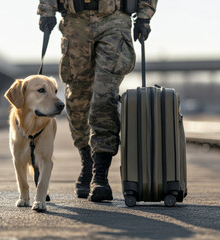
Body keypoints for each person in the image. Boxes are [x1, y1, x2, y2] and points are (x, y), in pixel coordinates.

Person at [37, 0, 157, 202]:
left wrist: (144, 15)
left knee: (104, 96)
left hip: (114, 21)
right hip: (75, 23)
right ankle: (87, 162)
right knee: (76, 100)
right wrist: (46, 10)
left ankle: (100, 175)